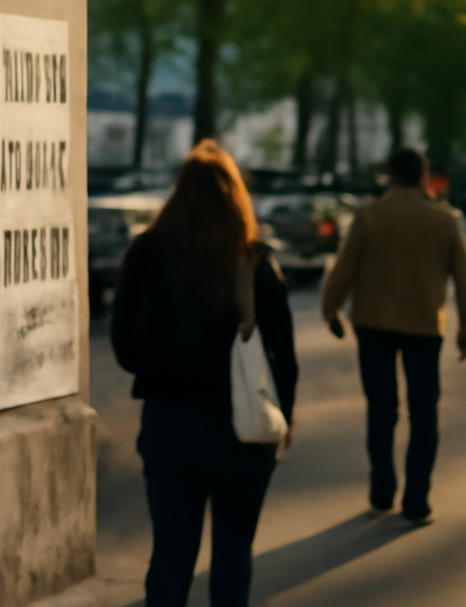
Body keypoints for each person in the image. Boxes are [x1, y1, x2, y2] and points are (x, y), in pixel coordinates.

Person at [112, 140, 297, 607]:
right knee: (233, 555)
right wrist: (284, 417)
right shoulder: (254, 261)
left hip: (170, 430)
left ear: (177, 193)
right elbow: (282, 356)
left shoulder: (146, 253)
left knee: (171, 557)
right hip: (242, 432)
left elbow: (125, 349)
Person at [321, 146, 466, 523]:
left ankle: (382, 491)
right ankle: (417, 500)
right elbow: (464, 277)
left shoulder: (369, 215)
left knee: (381, 409)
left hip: (372, 324)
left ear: (388, 174)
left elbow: (344, 267)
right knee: (424, 414)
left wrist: (331, 310)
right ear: (423, 177)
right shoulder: (445, 220)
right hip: (424, 325)